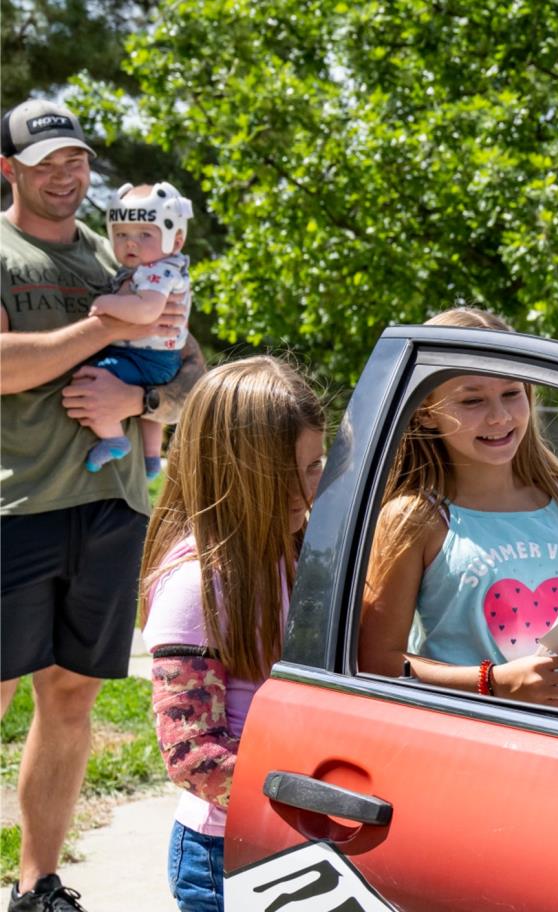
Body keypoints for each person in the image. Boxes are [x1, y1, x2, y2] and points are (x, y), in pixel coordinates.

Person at [1, 97, 206, 912]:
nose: (67, 176)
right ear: (8, 169)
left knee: (72, 695)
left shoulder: (121, 255)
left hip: (111, 506)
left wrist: (136, 403)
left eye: (77, 161)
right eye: (48, 162)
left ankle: (36, 884)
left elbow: (186, 373)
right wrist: (103, 326)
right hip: (12, 509)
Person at [359, 308, 558, 706]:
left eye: (511, 393)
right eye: (472, 400)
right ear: (427, 414)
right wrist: (494, 682)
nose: (498, 416)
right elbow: (376, 659)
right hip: (466, 740)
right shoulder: (415, 518)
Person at [140, 356, 326, 912]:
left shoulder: (294, 552)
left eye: (315, 466)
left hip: (290, 838)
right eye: (280, 473)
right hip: (224, 854)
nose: (302, 489)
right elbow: (193, 756)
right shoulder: (199, 580)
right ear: (224, 468)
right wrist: (317, 800)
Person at [83, 181, 196, 477]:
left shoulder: (157, 271)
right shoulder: (163, 266)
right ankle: (149, 458)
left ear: (176, 238)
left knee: (91, 380)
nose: (130, 243)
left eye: (144, 234)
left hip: (146, 359)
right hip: (159, 360)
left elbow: (146, 311)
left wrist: (105, 303)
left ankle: (113, 438)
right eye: (121, 234)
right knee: (150, 417)